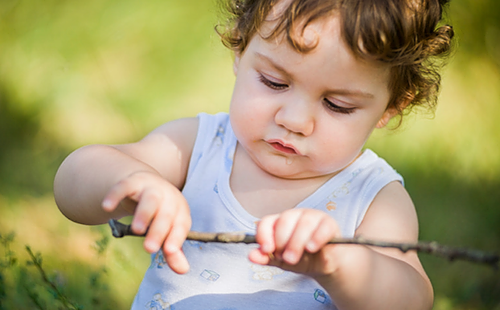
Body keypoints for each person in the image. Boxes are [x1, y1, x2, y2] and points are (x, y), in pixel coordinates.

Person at [54, 0, 454, 309]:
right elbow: (73, 181)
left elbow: (411, 298)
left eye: (337, 105)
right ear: (240, 49)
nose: (295, 120)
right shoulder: (202, 145)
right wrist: (133, 185)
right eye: (274, 82)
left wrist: (338, 263)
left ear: (392, 106)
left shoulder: (374, 197)